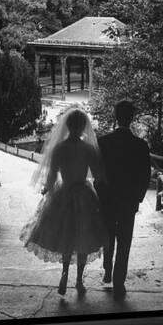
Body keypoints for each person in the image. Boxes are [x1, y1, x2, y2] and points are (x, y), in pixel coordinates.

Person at [20, 108, 106, 296]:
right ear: (84, 126)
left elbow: (51, 176)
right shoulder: (89, 149)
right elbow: (98, 175)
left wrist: (49, 192)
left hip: (64, 193)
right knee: (83, 236)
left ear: (66, 125)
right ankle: (78, 281)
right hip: (84, 195)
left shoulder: (59, 148)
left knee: (66, 236)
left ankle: (65, 274)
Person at [96, 100, 151, 299]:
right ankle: (119, 281)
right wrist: (138, 197)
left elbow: (98, 173)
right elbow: (145, 175)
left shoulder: (103, 142)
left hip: (108, 199)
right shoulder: (140, 145)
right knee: (125, 241)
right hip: (128, 201)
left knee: (108, 236)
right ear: (132, 118)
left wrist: (100, 194)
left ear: (116, 116)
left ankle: (108, 269)